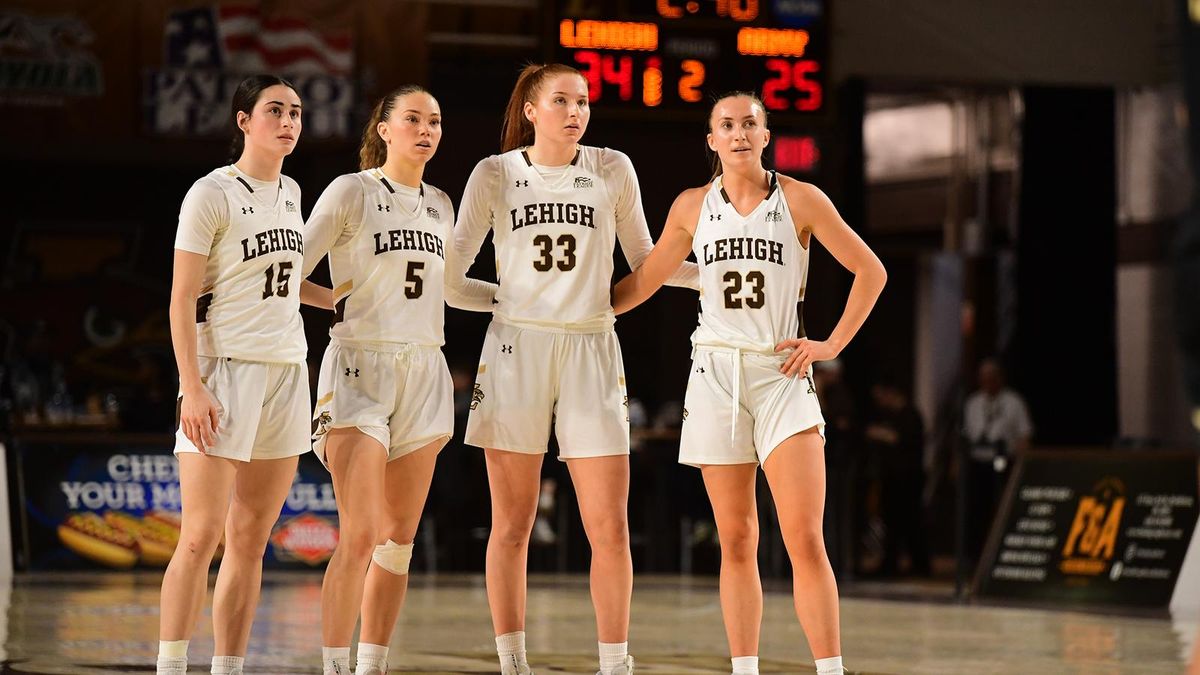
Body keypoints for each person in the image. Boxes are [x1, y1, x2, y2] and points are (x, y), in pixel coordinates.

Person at [611, 92, 887, 675]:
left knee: (804, 538)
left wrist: (831, 345)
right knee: (735, 540)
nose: (739, 134)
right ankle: (744, 668)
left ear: (767, 136)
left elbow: (871, 270)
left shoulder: (801, 199)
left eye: (750, 124)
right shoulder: (691, 206)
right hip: (714, 375)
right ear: (711, 140)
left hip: (781, 372)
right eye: (727, 125)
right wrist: (572, 310)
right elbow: (645, 282)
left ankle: (830, 668)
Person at [446, 63, 698, 675]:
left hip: (590, 346)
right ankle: (512, 660)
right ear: (531, 110)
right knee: (512, 523)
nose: (575, 111)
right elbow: (452, 281)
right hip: (516, 349)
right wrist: (504, 300)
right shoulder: (495, 174)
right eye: (561, 100)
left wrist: (710, 277)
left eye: (582, 101)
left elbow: (643, 262)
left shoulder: (613, 168)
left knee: (609, 523)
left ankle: (615, 660)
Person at [300, 86, 497, 675]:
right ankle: (334, 665)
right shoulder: (351, 190)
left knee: (397, 541)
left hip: (425, 368)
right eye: (412, 119)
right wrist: (331, 302)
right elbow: (290, 269)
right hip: (360, 364)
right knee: (358, 535)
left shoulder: (441, 201)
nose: (426, 130)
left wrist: (513, 299)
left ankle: (371, 665)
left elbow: (454, 286)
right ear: (383, 129)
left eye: (435, 120)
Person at [159, 74, 323, 675]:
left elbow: (279, 279)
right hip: (223, 371)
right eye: (276, 111)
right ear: (243, 121)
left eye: (297, 113)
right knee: (200, 537)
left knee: (252, 542)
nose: (289, 122)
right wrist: (192, 385)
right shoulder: (211, 194)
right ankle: (171, 667)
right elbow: (180, 299)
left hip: (286, 371)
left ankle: (229, 667)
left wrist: (342, 297)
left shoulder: (292, 191)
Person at [962, 358, 1033, 561]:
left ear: (1000, 378)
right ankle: (976, 555)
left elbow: (1024, 435)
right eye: (984, 378)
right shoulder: (973, 403)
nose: (988, 382)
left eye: (992, 378)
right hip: (978, 462)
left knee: (1001, 507)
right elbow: (966, 435)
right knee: (977, 511)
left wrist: (1022, 463)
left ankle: (1001, 553)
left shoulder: (1014, 402)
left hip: (1003, 462)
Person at [863, 379, 930, 576]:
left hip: (909, 478)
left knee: (911, 521)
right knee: (891, 521)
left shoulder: (911, 415)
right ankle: (890, 563)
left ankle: (920, 564)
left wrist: (879, 433)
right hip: (891, 477)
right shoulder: (888, 415)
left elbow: (902, 439)